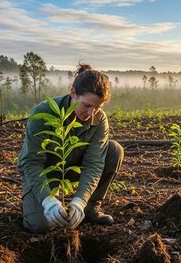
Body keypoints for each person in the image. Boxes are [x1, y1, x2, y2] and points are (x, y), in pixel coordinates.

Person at [18, 63, 124, 232]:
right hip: (44, 172)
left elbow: (94, 164)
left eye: (97, 108)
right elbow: (31, 162)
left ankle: (90, 208)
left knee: (114, 150)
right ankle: (35, 201)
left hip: (74, 166)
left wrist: (80, 201)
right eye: (87, 105)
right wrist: (48, 201)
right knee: (40, 225)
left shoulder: (99, 119)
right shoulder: (43, 113)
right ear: (72, 92)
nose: (91, 114)